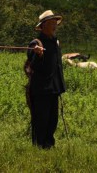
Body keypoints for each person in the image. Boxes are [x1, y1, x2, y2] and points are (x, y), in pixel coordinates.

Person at [26, 10, 66, 149]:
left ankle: (49, 145)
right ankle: (38, 146)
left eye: (55, 22)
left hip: (54, 88)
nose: (54, 25)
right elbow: (33, 65)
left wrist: (60, 85)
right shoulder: (35, 43)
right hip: (41, 89)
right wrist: (39, 55)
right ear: (43, 26)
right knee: (41, 120)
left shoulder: (55, 42)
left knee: (52, 120)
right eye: (50, 23)